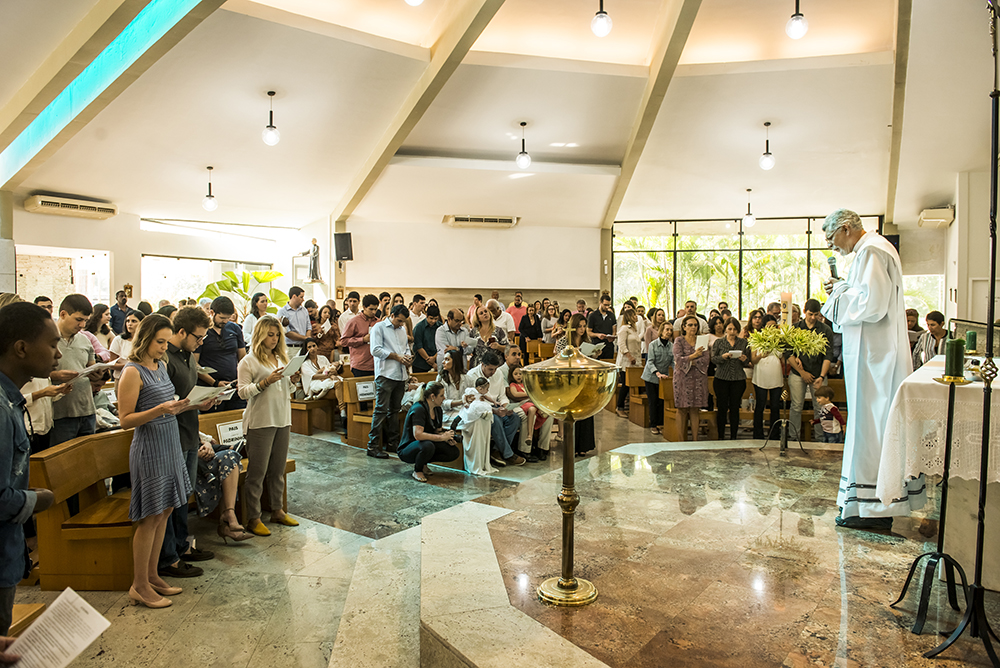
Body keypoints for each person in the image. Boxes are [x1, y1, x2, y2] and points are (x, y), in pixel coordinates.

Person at [821, 209, 914, 530]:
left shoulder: (872, 250)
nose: (832, 246)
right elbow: (867, 296)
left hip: (877, 361)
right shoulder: (871, 250)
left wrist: (838, 292)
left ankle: (875, 509)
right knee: (869, 428)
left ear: (846, 228)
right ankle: (865, 505)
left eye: (831, 238)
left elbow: (871, 305)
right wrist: (845, 286)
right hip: (875, 357)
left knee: (872, 429)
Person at [117, 314, 192, 608]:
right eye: (160, 342)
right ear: (146, 338)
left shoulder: (160, 366)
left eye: (166, 342)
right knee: (150, 516)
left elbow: (168, 405)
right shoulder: (132, 371)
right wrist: (160, 409)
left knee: (165, 510)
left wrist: (191, 404)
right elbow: (125, 420)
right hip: (149, 448)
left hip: (169, 442)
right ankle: (138, 585)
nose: (164, 347)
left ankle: (152, 575)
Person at [0, 303, 58, 633]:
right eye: (52, 345)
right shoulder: (1, 408)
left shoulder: (10, 399)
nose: (58, 355)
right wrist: (38, 499)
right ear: (21, 348)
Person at [158, 307, 217, 580]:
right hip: (173, 435)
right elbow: (165, 402)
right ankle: (168, 557)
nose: (200, 343)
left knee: (184, 495)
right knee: (172, 498)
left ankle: (182, 546)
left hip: (190, 432)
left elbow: (188, 394)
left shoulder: (188, 356)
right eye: (198, 337)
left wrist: (204, 401)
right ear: (181, 331)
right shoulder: (165, 359)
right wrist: (193, 404)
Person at [236, 315, 301, 536]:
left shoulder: (281, 358)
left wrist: (293, 381)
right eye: (270, 335)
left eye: (277, 335)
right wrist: (265, 382)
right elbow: (242, 392)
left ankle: (277, 510)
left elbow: (287, 390)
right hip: (261, 421)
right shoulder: (249, 361)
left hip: (282, 418)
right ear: (260, 335)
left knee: (277, 470)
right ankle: (253, 518)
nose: (274, 339)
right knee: (257, 472)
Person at [49, 295, 98, 449]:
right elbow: (33, 374)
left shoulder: (84, 340)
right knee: (62, 459)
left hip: (87, 409)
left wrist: (97, 374)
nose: (82, 325)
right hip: (60, 413)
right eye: (78, 319)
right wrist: (55, 376)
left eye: (85, 320)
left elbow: (91, 366)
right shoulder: (46, 338)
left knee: (88, 458)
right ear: (63, 314)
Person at [367, 305, 413, 458]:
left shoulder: (402, 329)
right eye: (399, 320)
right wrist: (396, 356)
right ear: (392, 315)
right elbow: (375, 350)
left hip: (400, 374)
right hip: (385, 374)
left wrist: (407, 357)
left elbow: (405, 348)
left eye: (403, 322)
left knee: (395, 410)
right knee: (381, 410)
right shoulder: (378, 327)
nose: (401, 324)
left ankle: (393, 443)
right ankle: (373, 445)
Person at [466, 351, 525, 466]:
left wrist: (506, 406)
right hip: (481, 408)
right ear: (482, 365)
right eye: (490, 369)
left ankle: (496, 451)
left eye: (495, 369)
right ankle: (508, 454)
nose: (493, 372)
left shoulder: (498, 373)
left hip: (497, 405)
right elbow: (476, 400)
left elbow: (502, 395)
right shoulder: (472, 375)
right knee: (496, 420)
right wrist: (494, 410)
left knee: (515, 418)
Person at [787, 299, 834, 440]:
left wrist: (821, 376)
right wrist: (802, 372)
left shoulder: (825, 330)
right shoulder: (795, 328)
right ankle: (794, 437)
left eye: (816, 314)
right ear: (804, 312)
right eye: (810, 314)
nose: (813, 317)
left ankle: (820, 438)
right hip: (798, 373)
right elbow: (788, 353)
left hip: (818, 373)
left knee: (820, 406)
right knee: (796, 406)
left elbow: (828, 355)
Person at [397, 382, 460, 482]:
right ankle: (418, 470)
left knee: (453, 452)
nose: (444, 398)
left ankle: (423, 463)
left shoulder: (438, 410)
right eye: (441, 395)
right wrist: (441, 438)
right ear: (432, 396)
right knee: (427, 445)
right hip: (408, 448)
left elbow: (437, 432)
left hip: (426, 444)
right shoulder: (418, 408)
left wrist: (446, 438)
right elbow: (418, 435)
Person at [195, 297, 246, 412]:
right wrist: (215, 383)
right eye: (222, 318)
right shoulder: (202, 331)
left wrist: (242, 378)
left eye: (228, 318)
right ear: (212, 313)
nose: (225, 321)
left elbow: (243, 357)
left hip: (234, 387)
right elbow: (194, 363)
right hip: (210, 389)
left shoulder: (235, 328)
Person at [555, 314, 597, 455]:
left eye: (584, 326)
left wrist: (594, 354)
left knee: (585, 411)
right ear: (573, 327)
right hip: (569, 379)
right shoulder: (563, 341)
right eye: (579, 326)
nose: (582, 329)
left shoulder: (587, 340)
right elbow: (558, 358)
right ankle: (571, 446)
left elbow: (589, 360)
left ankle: (583, 446)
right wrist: (574, 352)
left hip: (584, 379)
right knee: (572, 412)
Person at [672, 315, 709, 441]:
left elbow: (705, 359)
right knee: (682, 408)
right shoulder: (679, 340)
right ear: (684, 327)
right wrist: (694, 356)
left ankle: (695, 439)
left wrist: (690, 360)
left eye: (695, 325)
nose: (693, 327)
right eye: (690, 325)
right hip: (682, 378)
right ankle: (681, 439)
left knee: (695, 409)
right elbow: (678, 359)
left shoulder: (702, 340)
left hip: (698, 377)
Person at [711, 317, 749, 440]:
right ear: (726, 329)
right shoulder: (719, 342)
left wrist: (744, 359)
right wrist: (723, 357)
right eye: (730, 329)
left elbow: (748, 361)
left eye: (735, 329)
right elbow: (713, 359)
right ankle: (721, 436)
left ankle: (733, 436)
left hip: (738, 378)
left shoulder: (743, 343)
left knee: (735, 408)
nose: (732, 332)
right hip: (722, 378)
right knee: (722, 408)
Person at [750, 314, 783, 440]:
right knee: (760, 405)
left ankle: (775, 434)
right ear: (764, 327)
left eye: (774, 326)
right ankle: (758, 434)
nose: (772, 329)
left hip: (776, 374)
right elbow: (753, 360)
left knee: (775, 406)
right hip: (761, 374)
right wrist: (761, 356)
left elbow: (782, 357)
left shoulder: (780, 340)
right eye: (769, 326)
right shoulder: (756, 338)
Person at [642, 322, 674, 436]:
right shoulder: (653, 344)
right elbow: (650, 361)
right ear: (661, 331)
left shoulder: (671, 346)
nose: (669, 332)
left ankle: (661, 423)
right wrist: (657, 373)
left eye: (671, 330)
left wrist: (677, 372)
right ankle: (653, 424)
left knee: (662, 401)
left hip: (663, 378)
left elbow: (673, 362)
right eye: (667, 330)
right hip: (651, 376)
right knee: (653, 401)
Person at [341, 294, 379, 377]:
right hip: (360, 365)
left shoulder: (378, 322)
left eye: (375, 309)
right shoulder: (354, 322)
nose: (373, 312)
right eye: (371, 309)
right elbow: (344, 341)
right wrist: (362, 339)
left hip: (376, 364)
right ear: (364, 307)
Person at [615, 309, 642, 418]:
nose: (636, 316)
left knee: (635, 384)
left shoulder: (634, 329)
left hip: (636, 361)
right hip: (626, 362)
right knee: (625, 385)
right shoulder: (624, 329)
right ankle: (619, 407)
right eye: (634, 315)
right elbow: (621, 344)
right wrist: (629, 356)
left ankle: (633, 407)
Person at [109, 310, 144, 379]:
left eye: (134, 321)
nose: (129, 324)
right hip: (121, 377)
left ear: (142, 323)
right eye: (127, 321)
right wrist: (130, 366)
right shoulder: (119, 339)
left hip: (141, 378)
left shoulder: (145, 341)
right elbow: (111, 364)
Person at [277, 286, 310, 351]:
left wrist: (308, 339)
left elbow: (308, 327)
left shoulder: (304, 310)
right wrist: (306, 338)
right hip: (291, 347)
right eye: (301, 297)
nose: (303, 300)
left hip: (304, 346)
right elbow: (287, 332)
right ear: (294, 296)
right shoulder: (282, 312)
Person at [586, 294, 616, 360]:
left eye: (608, 305)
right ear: (600, 303)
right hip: (597, 346)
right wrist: (598, 335)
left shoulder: (611, 315)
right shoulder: (593, 315)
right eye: (605, 305)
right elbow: (588, 332)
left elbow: (614, 329)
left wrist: (612, 336)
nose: (607, 307)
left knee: (609, 363)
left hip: (608, 346)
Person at [412, 305, 442, 372]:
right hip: (420, 364)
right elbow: (419, 347)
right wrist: (431, 362)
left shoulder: (440, 327)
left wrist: (434, 358)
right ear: (426, 315)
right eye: (431, 318)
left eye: (436, 319)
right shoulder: (419, 327)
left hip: (437, 362)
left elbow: (442, 345)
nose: (433, 321)